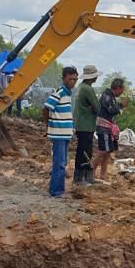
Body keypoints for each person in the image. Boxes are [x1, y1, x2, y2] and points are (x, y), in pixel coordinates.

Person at [42, 65, 77, 197]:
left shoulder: (67, 94)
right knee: (59, 163)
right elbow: (46, 108)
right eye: (70, 79)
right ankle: (56, 191)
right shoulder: (60, 92)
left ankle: (57, 189)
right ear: (64, 79)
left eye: (74, 79)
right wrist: (48, 126)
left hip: (64, 134)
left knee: (62, 162)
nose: (72, 82)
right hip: (59, 134)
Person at [93, 76, 129, 182]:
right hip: (103, 127)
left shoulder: (111, 96)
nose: (121, 93)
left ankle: (103, 175)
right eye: (121, 90)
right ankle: (91, 171)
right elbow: (111, 109)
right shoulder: (107, 96)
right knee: (103, 150)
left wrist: (120, 105)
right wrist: (121, 105)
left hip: (107, 127)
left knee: (107, 151)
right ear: (117, 88)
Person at [72, 64, 100, 186]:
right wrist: (92, 108)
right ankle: (79, 179)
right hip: (86, 125)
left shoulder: (80, 87)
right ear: (92, 77)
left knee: (84, 150)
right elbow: (98, 107)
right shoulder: (88, 89)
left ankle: (86, 177)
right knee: (84, 151)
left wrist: (91, 108)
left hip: (80, 123)